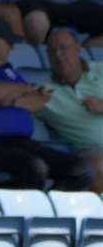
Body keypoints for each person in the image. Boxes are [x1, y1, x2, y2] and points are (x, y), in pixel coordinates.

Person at [0, 17, 89, 190]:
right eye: (9, 42)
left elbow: (37, 102)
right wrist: (16, 92)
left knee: (81, 169)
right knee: (35, 167)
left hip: (22, 145)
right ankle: (7, 207)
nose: (13, 47)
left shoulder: (7, 71)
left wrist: (7, 97)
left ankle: (45, 211)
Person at [38, 27, 103, 191]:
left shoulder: (101, 69)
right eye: (52, 51)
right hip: (90, 152)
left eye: (64, 47)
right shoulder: (43, 93)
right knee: (99, 166)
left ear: (78, 48)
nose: (59, 55)